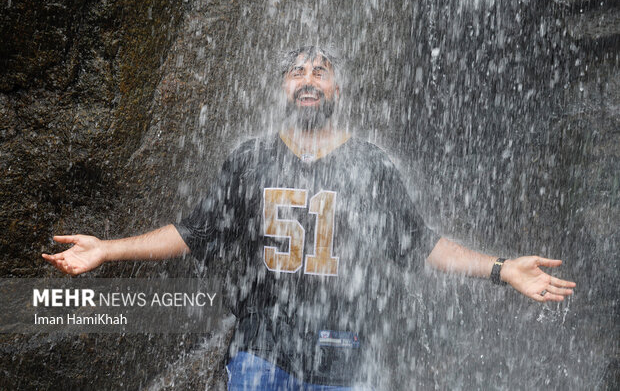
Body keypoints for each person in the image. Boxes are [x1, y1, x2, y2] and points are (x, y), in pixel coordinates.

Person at [43, 46, 576, 390]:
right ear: (282, 88)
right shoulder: (251, 158)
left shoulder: (371, 164)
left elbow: (419, 243)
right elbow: (193, 232)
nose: (308, 78)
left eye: (321, 70)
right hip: (260, 356)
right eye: (297, 70)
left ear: (337, 89)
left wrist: (501, 269)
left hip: (345, 361)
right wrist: (107, 248)